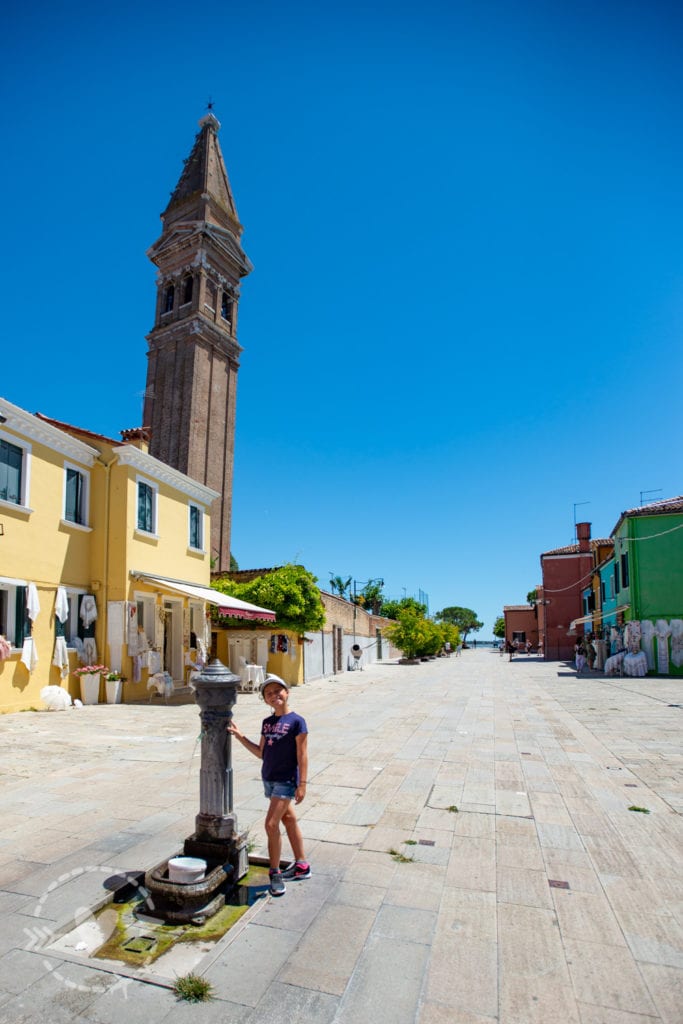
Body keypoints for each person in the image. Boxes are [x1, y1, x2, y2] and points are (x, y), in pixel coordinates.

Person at [227, 674, 310, 897]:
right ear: (265, 700)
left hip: (286, 780)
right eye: (269, 694)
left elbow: (302, 756)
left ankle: (274, 873)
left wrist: (302, 784)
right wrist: (240, 736)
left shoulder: (297, 721)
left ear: (287, 691)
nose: (274, 696)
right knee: (289, 819)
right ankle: (302, 866)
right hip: (269, 779)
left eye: (277, 691)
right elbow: (261, 753)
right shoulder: (268, 723)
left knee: (271, 825)